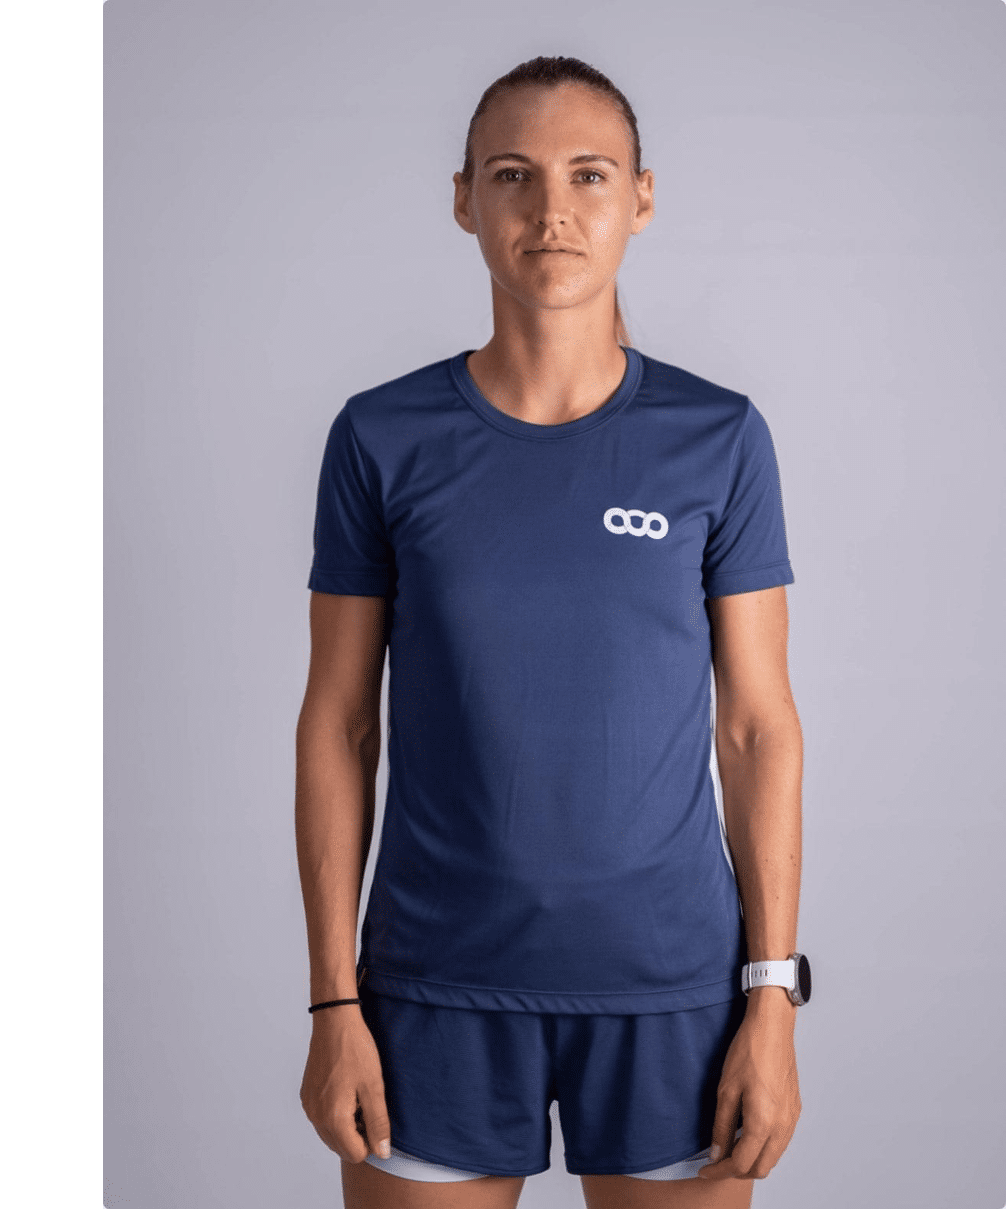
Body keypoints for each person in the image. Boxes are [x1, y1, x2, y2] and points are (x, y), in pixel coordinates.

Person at [296, 55, 805, 1209]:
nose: (552, 210)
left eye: (589, 173)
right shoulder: (382, 439)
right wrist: (333, 1001)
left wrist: (771, 999)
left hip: (674, 992)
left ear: (642, 197)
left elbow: (756, 730)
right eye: (513, 175)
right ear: (465, 199)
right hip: (434, 988)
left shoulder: (718, 438)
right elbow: (338, 725)